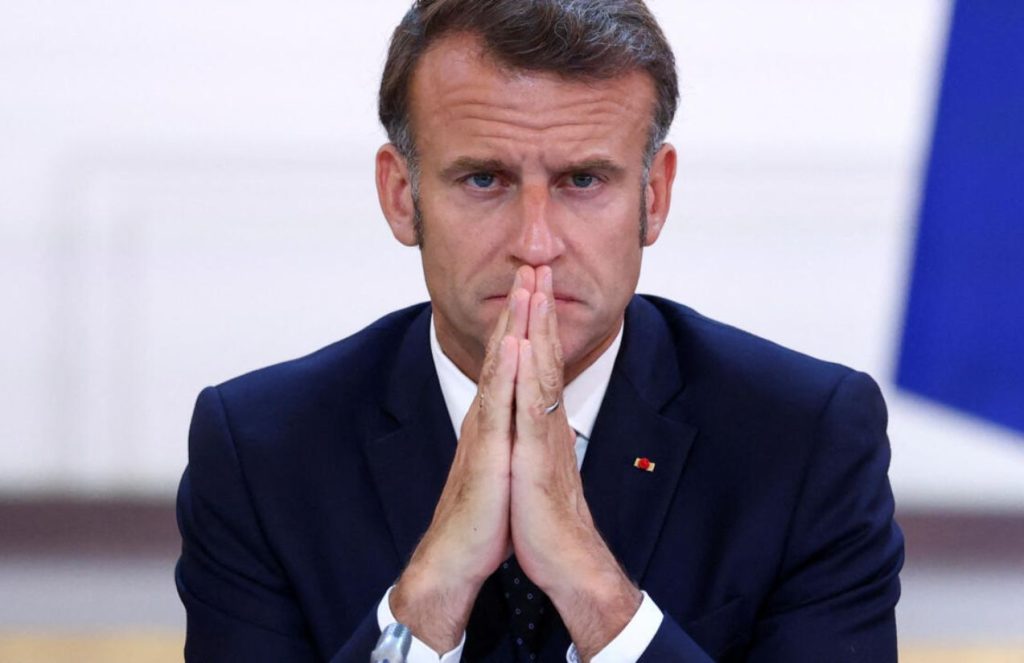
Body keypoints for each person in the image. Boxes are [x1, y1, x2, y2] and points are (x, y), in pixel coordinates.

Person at [175, 1, 904, 661]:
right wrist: (428, 597)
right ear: (402, 196)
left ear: (654, 196)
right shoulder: (260, 452)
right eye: (484, 180)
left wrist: (596, 591)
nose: (535, 241)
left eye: (583, 181)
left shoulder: (805, 439)